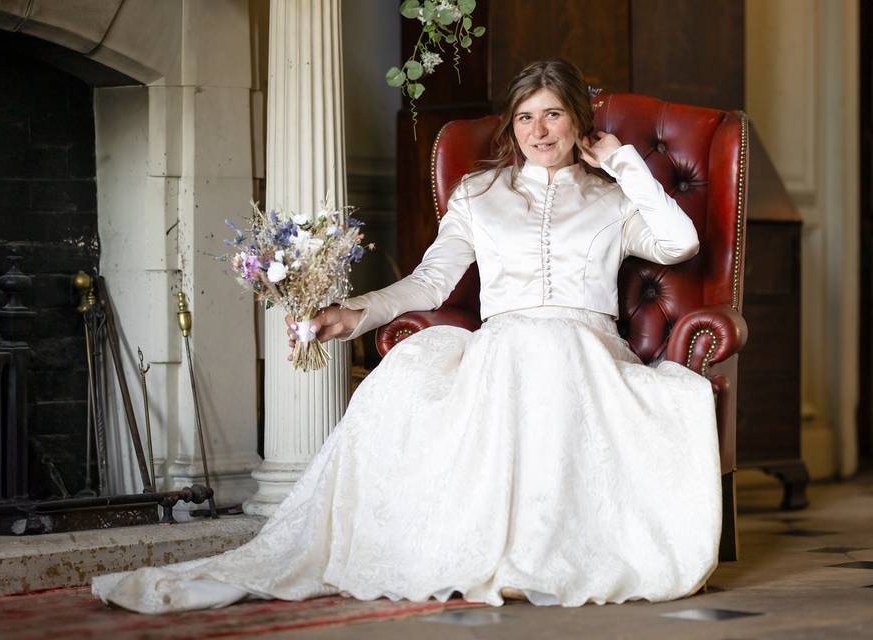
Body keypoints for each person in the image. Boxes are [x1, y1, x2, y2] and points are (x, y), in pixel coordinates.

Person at [92, 59, 721, 614]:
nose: (539, 131)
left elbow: (680, 242)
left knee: (555, 349)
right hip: (501, 351)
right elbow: (428, 284)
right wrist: (354, 312)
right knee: (439, 371)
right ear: (512, 126)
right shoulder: (478, 195)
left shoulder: (613, 200)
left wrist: (619, 161)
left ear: (579, 123)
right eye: (525, 117)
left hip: (587, 350)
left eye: (554, 115)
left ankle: (550, 546)